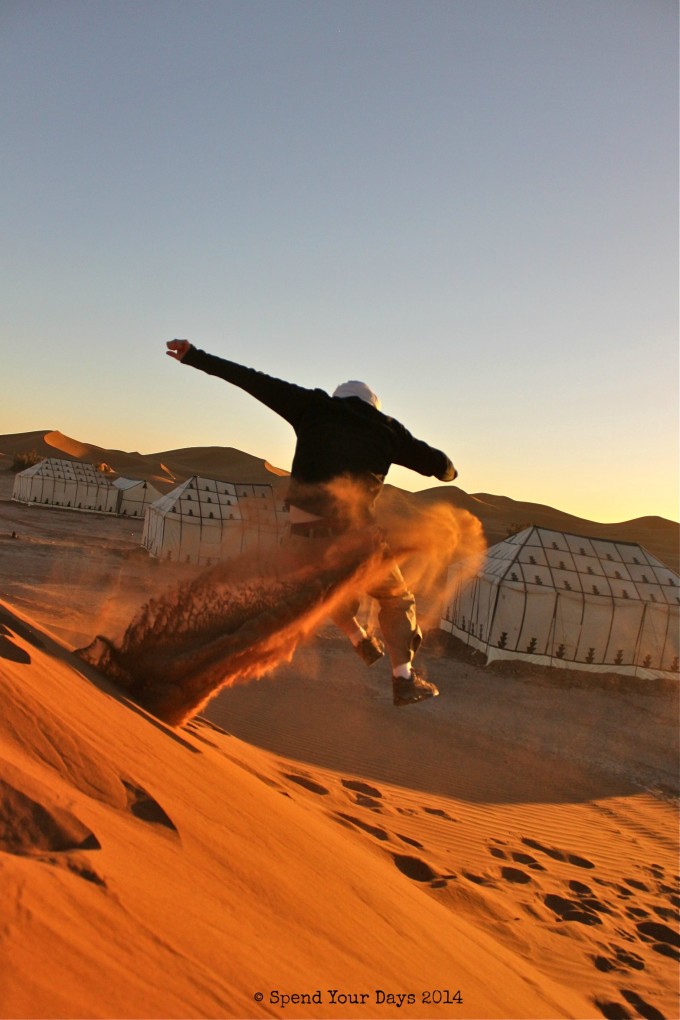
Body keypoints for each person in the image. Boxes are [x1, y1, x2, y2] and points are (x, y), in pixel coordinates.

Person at [166, 339, 457, 706]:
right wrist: (449, 469)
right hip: (354, 537)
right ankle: (403, 678)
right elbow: (437, 465)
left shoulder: (312, 406)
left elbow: (252, 380)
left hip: (302, 533)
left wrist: (194, 356)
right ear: (373, 407)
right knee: (397, 598)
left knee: (322, 586)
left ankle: (359, 640)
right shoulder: (386, 429)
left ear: (339, 400)